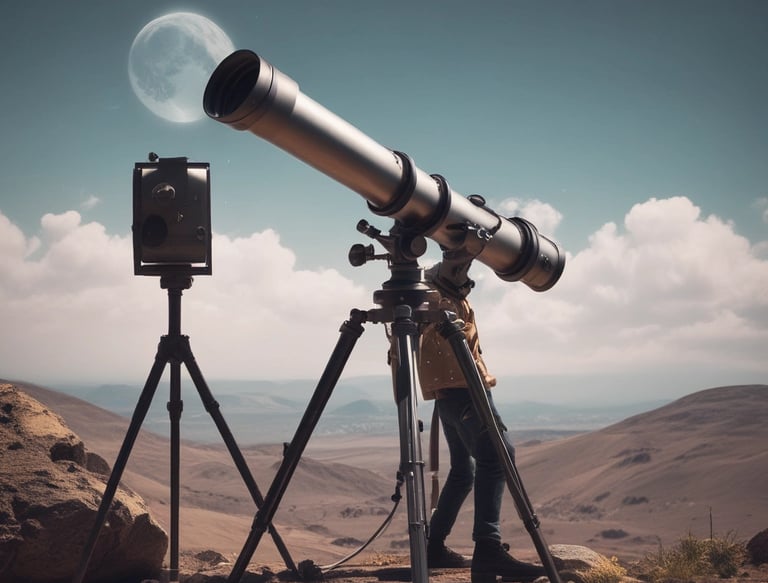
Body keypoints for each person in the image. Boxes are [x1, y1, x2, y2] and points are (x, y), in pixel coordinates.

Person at [417, 259, 547, 583]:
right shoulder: (439, 296)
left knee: (464, 471)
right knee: (499, 456)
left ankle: (433, 545)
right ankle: (488, 549)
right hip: (465, 392)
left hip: (449, 396)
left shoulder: (438, 290)